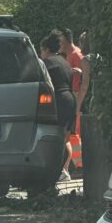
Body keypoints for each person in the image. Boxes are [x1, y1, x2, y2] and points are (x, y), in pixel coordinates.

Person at [40, 33, 76, 182]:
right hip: (69, 100)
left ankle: (56, 170)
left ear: (46, 49)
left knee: (54, 137)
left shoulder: (47, 64)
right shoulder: (65, 61)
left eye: (41, 50)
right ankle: (64, 170)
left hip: (58, 101)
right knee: (64, 137)